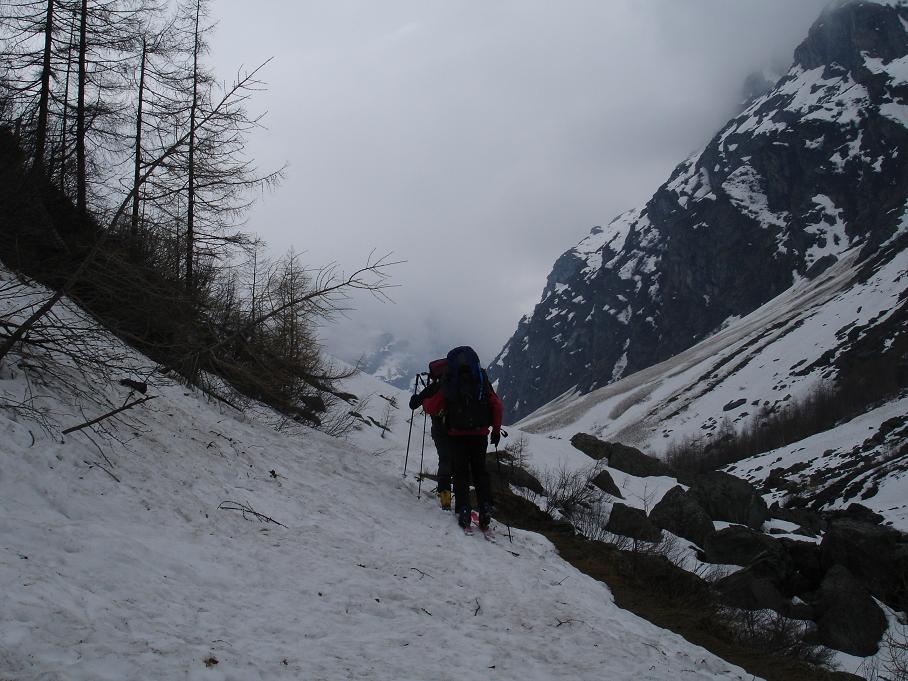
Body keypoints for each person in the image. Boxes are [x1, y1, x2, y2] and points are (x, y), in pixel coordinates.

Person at [417, 346, 503, 531]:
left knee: (461, 473)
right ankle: (485, 507)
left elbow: (432, 407)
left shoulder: (451, 380)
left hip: (456, 434)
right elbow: (496, 405)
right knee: (480, 472)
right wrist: (495, 431)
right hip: (480, 434)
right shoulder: (480, 378)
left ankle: (464, 509)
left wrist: (423, 401)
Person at [409, 359, 454, 510]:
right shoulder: (460, 385)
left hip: (440, 428)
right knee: (460, 462)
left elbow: (413, 404)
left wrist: (415, 397)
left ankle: (445, 497)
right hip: (461, 429)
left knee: (445, 460)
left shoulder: (435, 387)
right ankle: (463, 501)